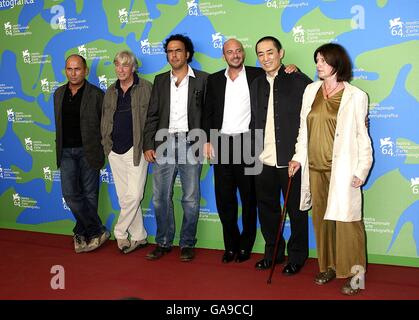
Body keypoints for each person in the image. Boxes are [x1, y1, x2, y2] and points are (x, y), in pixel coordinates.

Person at [202, 38, 297, 264]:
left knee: (249, 198)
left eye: (238, 51)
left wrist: (294, 68)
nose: (234, 55)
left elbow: (280, 75)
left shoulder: (257, 74)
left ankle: (246, 246)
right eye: (229, 52)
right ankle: (230, 245)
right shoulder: (214, 80)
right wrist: (206, 139)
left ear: (243, 54)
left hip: (249, 143)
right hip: (221, 143)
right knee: (224, 200)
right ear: (223, 55)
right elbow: (207, 112)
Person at [288, 43, 373, 295]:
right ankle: (329, 266)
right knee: (322, 221)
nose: (318, 65)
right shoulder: (310, 90)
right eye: (317, 60)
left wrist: (362, 169)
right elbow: (304, 130)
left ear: (338, 64)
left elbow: (362, 137)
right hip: (315, 169)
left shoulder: (356, 96)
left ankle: (356, 276)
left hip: (343, 170)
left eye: (323, 60)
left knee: (348, 224)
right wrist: (297, 158)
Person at [143, 34, 208, 262]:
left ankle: (187, 243)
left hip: (192, 143)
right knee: (160, 197)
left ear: (187, 53)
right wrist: (148, 144)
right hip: (163, 142)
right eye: (170, 51)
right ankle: (163, 242)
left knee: (190, 198)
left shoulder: (203, 79)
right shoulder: (160, 80)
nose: (174, 55)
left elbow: (209, 115)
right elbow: (152, 115)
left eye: (178, 50)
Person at [250, 36, 312, 275]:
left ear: (281, 53)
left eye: (270, 52)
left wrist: (300, 155)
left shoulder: (297, 80)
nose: (266, 58)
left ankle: (297, 256)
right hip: (263, 159)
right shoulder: (256, 84)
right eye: (261, 54)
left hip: (291, 159)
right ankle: (272, 253)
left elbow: (311, 112)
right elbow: (254, 120)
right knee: (267, 210)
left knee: (296, 211)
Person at [54, 54, 109, 253]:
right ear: (65, 70)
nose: (73, 73)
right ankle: (96, 231)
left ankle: (81, 232)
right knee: (70, 195)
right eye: (69, 69)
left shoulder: (96, 94)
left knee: (90, 195)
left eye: (77, 69)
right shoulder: (58, 93)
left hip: (89, 151)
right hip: (66, 152)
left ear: (85, 71)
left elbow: (104, 125)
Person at [101, 50, 152, 254]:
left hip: (136, 149)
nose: (120, 69)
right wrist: (106, 143)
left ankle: (120, 232)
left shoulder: (146, 88)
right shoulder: (110, 91)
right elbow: (105, 119)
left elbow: (152, 119)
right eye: (117, 65)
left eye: (125, 65)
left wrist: (150, 145)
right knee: (125, 197)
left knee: (135, 194)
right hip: (114, 150)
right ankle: (139, 236)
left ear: (133, 67)